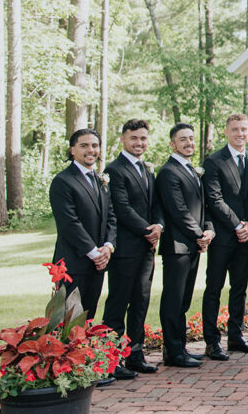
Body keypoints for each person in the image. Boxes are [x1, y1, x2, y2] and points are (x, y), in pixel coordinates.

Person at [201, 112, 248, 360]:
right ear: (226, 132)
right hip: (223, 238)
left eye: (244, 129)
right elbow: (214, 199)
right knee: (214, 288)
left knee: (239, 288)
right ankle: (212, 341)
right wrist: (238, 226)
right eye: (235, 129)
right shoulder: (214, 161)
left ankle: (236, 336)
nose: (240, 134)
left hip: (247, 237)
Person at [102, 119, 161, 378]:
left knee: (140, 301)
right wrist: (149, 230)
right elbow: (122, 208)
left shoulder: (147, 170)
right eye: (134, 138)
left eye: (143, 138)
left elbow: (156, 203)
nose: (139, 143)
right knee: (118, 302)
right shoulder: (114, 170)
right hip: (126, 248)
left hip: (147, 248)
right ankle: (112, 361)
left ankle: (135, 354)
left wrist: (158, 224)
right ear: (123, 139)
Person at [157, 123, 214, 368]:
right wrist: (199, 234)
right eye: (183, 139)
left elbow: (203, 206)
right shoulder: (169, 172)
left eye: (191, 138)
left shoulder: (191, 170)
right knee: (173, 299)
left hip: (192, 244)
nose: (189, 142)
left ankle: (180, 347)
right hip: (177, 246)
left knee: (184, 300)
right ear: (172, 144)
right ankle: (173, 351)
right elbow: (177, 210)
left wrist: (208, 229)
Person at [50, 129, 117, 325]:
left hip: (97, 264)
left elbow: (111, 216)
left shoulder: (100, 180)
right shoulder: (62, 181)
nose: (91, 150)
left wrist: (108, 247)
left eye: (95, 145)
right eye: (84, 145)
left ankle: (85, 356)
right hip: (72, 264)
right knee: (67, 322)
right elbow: (69, 223)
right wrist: (94, 254)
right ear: (72, 150)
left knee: (87, 319)